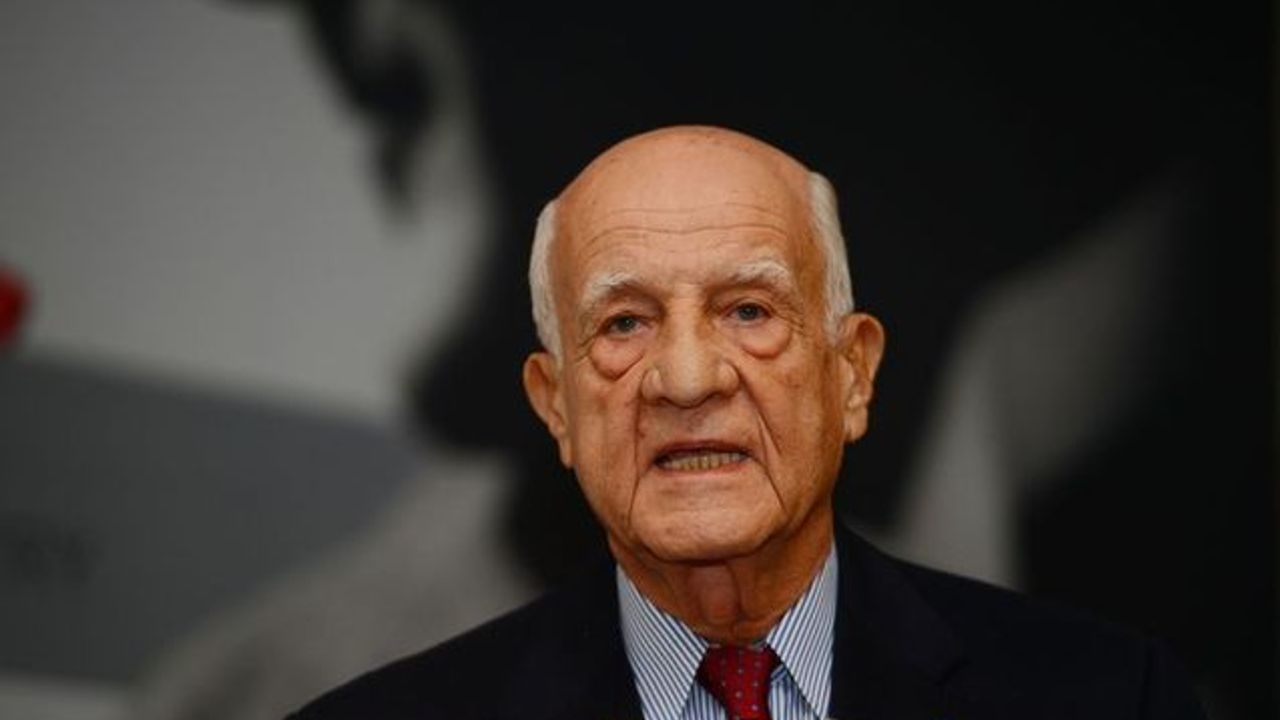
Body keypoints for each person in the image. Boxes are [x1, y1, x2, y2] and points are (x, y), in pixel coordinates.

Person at [288, 126, 1206, 719]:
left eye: (749, 311)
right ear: (555, 405)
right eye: (624, 323)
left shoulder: (1109, 699)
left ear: (851, 375)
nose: (687, 380)